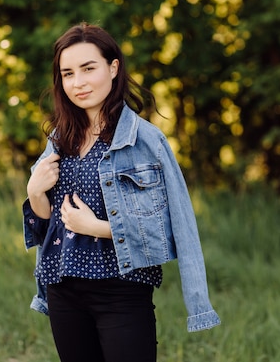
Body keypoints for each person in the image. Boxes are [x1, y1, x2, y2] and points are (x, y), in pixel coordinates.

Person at [22, 22, 220, 362]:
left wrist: (97, 228)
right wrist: (35, 192)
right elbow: (48, 225)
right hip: (62, 287)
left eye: (88, 68)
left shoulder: (146, 141)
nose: (78, 82)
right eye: (67, 73)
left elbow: (173, 231)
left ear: (113, 68)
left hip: (121, 290)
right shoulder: (60, 137)